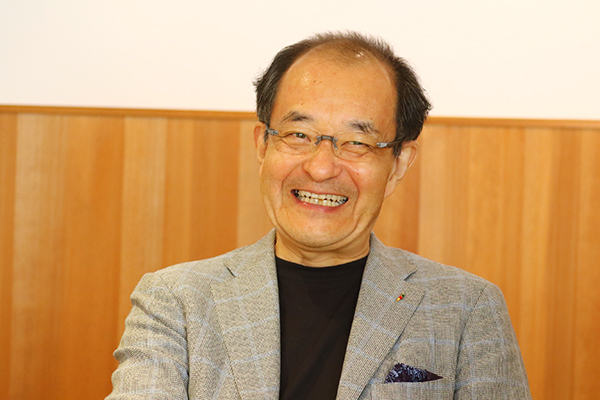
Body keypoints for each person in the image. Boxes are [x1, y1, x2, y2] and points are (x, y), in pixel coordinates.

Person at [107, 32, 531, 399]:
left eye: (356, 142)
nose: (322, 167)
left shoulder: (467, 309)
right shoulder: (176, 301)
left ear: (399, 164)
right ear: (263, 146)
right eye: (298, 135)